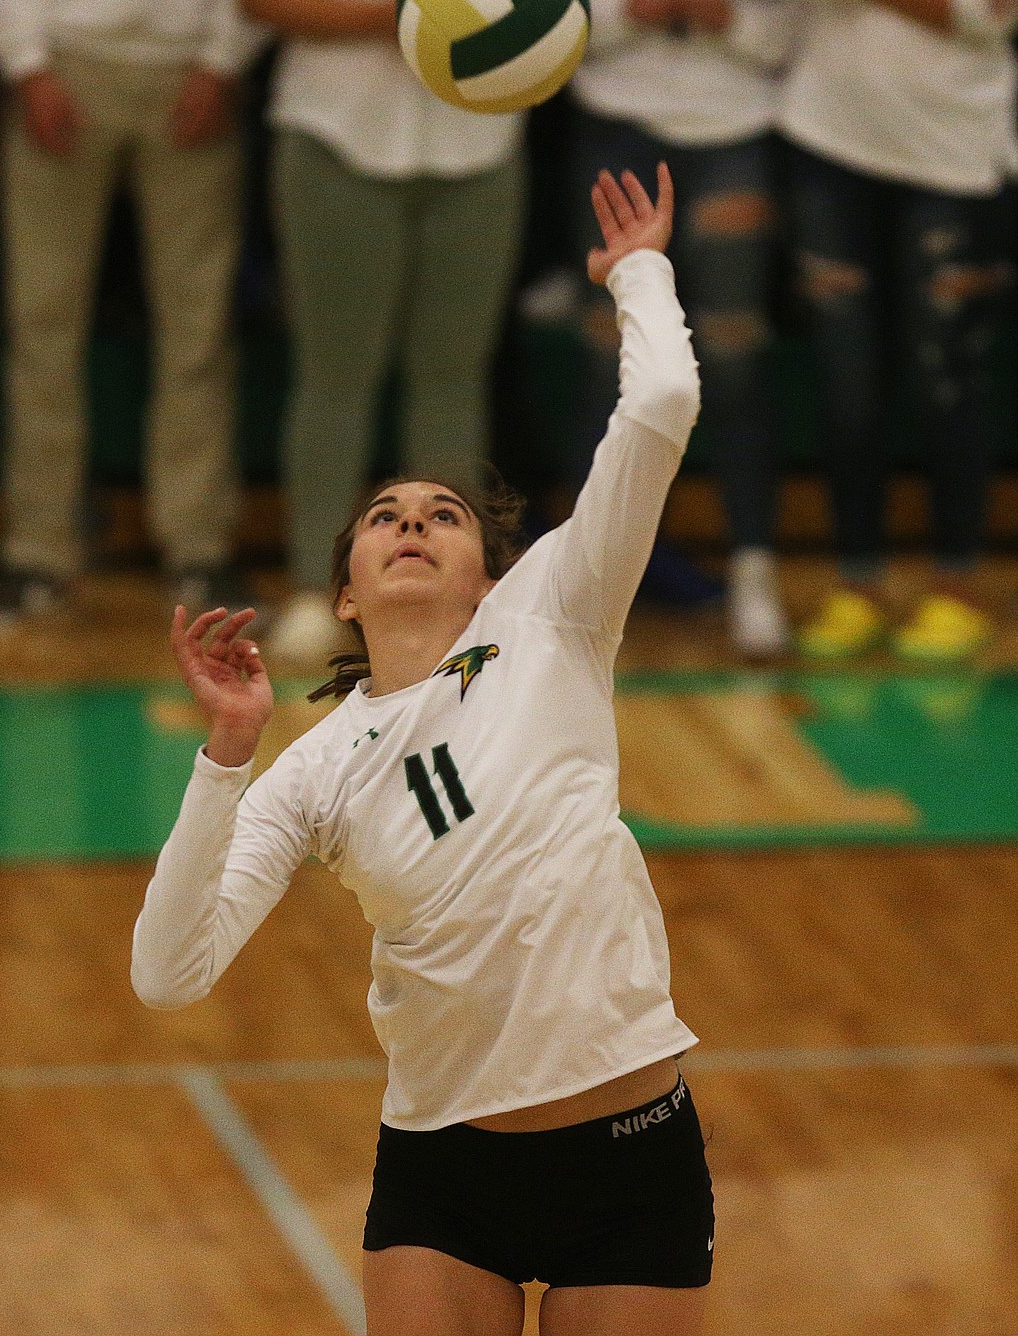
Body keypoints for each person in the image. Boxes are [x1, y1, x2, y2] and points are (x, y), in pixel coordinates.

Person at [132, 166, 715, 1336]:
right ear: (343, 594)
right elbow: (168, 974)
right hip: (445, 1173)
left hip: (629, 1156)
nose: (410, 522)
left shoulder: (551, 614)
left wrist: (638, 270)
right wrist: (228, 758)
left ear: (487, 573)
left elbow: (657, 407)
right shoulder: (314, 767)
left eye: (441, 513)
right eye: (384, 516)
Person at [237, 0, 551, 669]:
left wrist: (507, 27)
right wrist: (406, 19)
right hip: (337, 134)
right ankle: (319, 588)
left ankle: (452, 599)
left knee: (452, 376)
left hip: (479, 142)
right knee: (335, 375)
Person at [0, 0, 265, 633]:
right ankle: (37, 554)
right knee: (43, 325)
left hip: (193, 66)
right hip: (63, 59)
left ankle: (199, 547)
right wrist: (26, 61)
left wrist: (223, 56)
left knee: (198, 327)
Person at [776, 0, 1018, 662]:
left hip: (953, 154)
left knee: (948, 379)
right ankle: (858, 580)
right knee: (847, 382)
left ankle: (955, 584)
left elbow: (987, 13)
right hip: (829, 143)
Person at [560, 0, 798, 658]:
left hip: (737, 130)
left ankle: (754, 576)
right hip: (614, 121)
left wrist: (733, 19)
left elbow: (808, 21)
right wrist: (626, 11)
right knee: (607, 363)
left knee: (735, 358)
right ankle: (584, 592)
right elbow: (540, 5)